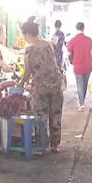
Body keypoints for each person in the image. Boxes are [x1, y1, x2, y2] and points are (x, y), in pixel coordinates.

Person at [18, 17, 64, 152]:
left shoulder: (29, 49)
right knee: (55, 115)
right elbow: (53, 64)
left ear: (26, 34)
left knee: (40, 116)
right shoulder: (48, 44)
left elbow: (27, 72)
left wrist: (20, 83)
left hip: (40, 88)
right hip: (55, 84)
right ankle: (55, 145)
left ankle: (42, 144)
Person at [66, 20, 92, 110]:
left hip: (78, 66)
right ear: (83, 28)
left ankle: (81, 104)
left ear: (76, 28)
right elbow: (91, 53)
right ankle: (82, 101)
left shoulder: (72, 41)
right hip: (88, 65)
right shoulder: (89, 40)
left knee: (79, 85)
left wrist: (71, 62)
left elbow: (69, 54)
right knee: (84, 85)